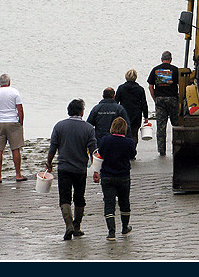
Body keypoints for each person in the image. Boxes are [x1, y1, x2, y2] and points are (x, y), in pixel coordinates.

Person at [46, 99, 98, 240]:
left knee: (65, 198)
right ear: (82, 112)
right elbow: (94, 151)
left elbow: (53, 148)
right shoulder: (88, 128)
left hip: (64, 168)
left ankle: (69, 225)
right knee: (79, 197)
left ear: (68, 111)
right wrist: (96, 170)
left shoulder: (59, 126)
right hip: (80, 169)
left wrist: (49, 163)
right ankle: (77, 227)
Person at [93, 117, 137, 241]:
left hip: (107, 176)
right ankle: (124, 227)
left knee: (109, 204)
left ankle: (111, 232)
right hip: (123, 176)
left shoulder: (105, 140)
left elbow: (100, 153)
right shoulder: (129, 142)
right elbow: (132, 154)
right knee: (124, 203)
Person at [0, 73, 26, 183]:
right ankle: (18, 174)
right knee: (15, 149)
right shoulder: (14, 92)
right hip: (13, 122)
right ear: (9, 82)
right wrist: (20, 122)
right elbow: (20, 109)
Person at [147, 51, 179, 155]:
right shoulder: (175, 70)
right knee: (176, 125)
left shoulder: (155, 70)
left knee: (161, 126)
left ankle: (162, 150)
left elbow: (150, 86)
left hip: (160, 99)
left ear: (161, 59)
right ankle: (177, 149)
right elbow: (182, 84)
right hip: (172, 99)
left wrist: (155, 98)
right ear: (171, 59)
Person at [115, 69, 148, 149]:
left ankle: (124, 150)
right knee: (134, 133)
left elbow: (116, 101)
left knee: (123, 132)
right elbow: (144, 103)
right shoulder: (140, 89)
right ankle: (132, 150)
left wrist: (114, 113)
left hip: (123, 113)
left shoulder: (121, 88)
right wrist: (146, 116)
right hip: (136, 113)